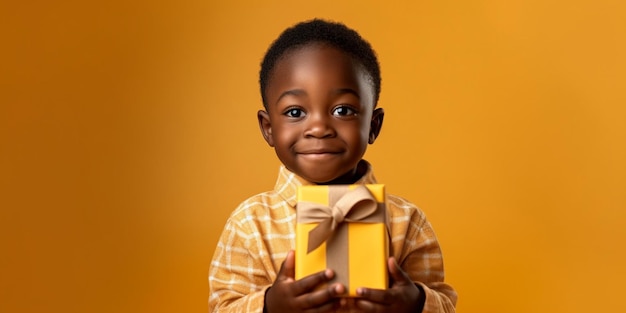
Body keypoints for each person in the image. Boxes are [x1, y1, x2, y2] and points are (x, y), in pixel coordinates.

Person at [209, 19, 457, 313]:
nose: (319, 127)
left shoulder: (408, 223)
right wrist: (269, 306)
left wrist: (416, 302)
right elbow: (222, 307)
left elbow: (445, 303)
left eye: (343, 110)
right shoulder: (250, 225)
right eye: (295, 111)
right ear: (268, 128)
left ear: (373, 125)